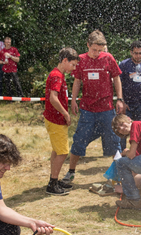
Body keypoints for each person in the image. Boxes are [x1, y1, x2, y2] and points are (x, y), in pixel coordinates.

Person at [64, 30, 125, 184]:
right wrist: (73, 100)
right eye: (94, 50)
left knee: (113, 140)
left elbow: (116, 78)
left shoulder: (108, 58)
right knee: (79, 140)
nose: (97, 53)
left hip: (106, 108)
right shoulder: (81, 60)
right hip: (87, 109)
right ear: (87, 45)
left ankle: (120, 174)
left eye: (100, 50)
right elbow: (77, 81)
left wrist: (120, 99)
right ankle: (70, 172)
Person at [44, 47, 79, 196]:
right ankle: (52, 184)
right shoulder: (57, 76)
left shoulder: (57, 74)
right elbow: (53, 98)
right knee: (63, 152)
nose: (74, 68)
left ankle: (54, 179)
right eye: (73, 65)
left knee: (56, 150)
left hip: (54, 120)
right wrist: (66, 114)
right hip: (56, 121)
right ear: (65, 61)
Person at [118, 40, 141, 122]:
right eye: (135, 53)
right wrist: (122, 101)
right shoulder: (124, 65)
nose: (138, 55)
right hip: (127, 104)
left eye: (140, 53)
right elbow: (118, 83)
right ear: (131, 52)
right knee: (125, 130)